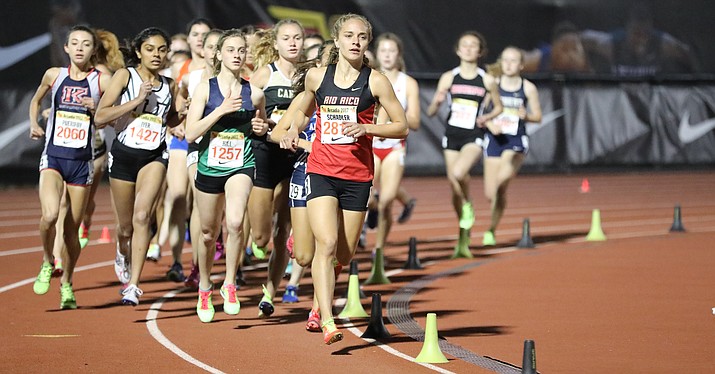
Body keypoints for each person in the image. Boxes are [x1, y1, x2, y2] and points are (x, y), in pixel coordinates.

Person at [288, 13, 408, 344]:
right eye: (350, 36)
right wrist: (294, 125)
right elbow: (302, 109)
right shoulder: (317, 77)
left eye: (362, 37)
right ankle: (326, 318)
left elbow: (401, 125)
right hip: (322, 169)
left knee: (343, 254)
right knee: (324, 244)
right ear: (337, 40)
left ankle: (320, 301)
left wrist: (367, 127)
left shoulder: (376, 81)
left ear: (367, 43)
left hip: (357, 176)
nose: (356, 41)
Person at [185, 29, 269, 323]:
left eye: (241, 50)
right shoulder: (205, 90)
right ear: (219, 54)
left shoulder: (254, 93)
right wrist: (219, 111)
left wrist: (261, 128)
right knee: (208, 233)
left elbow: (261, 124)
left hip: (240, 164)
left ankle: (230, 282)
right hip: (209, 165)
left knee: (234, 222)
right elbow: (191, 133)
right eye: (230, 50)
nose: (236, 55)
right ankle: (205, 286)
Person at [94, 27, 182, 306]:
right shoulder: (125, 76)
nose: (156, 55)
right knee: (125, 228)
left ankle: (133, 285)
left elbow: (170, 120)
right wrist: (135, 101)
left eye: (162, 49)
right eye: (150, 49)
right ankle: (123, 251)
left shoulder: (170, 85)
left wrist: (184, 113)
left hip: (154, 155)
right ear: (138, 52)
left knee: (143, 216)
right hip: (123, 154)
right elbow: (100, 116)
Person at [28, 25, 111, 309]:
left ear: (93, 50)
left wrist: (95, 110)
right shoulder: (55, 75)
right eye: (74, 43)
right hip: (53, 157)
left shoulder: (102, 81)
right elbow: (36, 99)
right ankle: (47, 261)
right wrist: (34, 122)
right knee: (50, 215)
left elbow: (113, 118)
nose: (79, 48)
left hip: (81, 163)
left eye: (85, 44)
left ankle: (67, 283)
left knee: (70, 232)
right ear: (66, 48)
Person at [271, 41, 333, 329]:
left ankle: (319, 310)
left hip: (342, 175)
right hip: (305, 170)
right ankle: (297, 240)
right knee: (306, 255)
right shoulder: (306, 97)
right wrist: (295, 139)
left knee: (332, 248)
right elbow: (277, 133)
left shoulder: (360, 95)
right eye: (330, 61)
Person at [148, 18, 214, 284]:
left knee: (200, 205)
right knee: (176, 199)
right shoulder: (180, 70)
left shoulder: (224, 71)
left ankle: (198, 265)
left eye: (205, 36)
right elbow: (170, 102)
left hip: (210, 143)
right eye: (195, 34)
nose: (200, 39)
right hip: (180, 140)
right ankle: (176, 261)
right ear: (188, 39)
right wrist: (173, 124)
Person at [426, 30, 502, 255]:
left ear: (480, 52)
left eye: (473, 45)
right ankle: (464, 232)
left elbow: (498, 107)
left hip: (473, 135)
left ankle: (468, 204)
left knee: (459, 174)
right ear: (458, 50)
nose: (469, 49)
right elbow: (430, 112)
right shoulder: (449, 77)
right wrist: (437, 102)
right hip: (452, 134)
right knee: (454, 189)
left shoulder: (486, 79)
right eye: (465, 45)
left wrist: (487, 117)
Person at [248, 19, 304, 318]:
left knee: (284, 230)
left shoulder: (309, 76)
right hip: (266, 154)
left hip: (294, 158)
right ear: (276, 43)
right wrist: (256, 124)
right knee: (260, 237)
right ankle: (257, 246)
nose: (293, 43)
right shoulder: (265, 74)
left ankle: (270, 291)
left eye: (297, 38)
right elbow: (245, 109)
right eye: (287, 38)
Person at [481, 47, 542, 246]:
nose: (508, 64)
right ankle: (492, 229)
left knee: (501, 179)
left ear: (521, 65)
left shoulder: (528, 87)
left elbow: (537, 116)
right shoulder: (493, 84)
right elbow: (481, 113)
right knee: (492, 194)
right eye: (505, 60)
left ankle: (490, 229)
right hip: (494, 139)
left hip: (515, 140)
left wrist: (527, 116)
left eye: (513, 60)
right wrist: (490, 124)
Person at [368, 32, 420, 257]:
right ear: (377, 54)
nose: (387, 55)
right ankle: (374, 209)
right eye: (383, 51)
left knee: (387, 200)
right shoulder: (370, 77)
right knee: (367, 197)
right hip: (370, 145)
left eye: (392, 51)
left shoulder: (408, 83)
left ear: (398, 54)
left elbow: (415, 121)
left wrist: (394, 119)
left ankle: (378, 250)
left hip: (394, 147)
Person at [181, 28, 223, 290]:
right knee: (198, 202)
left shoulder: (241, 80)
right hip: (198, 147)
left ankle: (232, 266)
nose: (215, 52)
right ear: (205, 51)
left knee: (228, 213)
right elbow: (178, 106)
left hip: (229, 150)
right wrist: (180, 118)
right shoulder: (192, 78)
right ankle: (198, 265)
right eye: (211, 47)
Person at [580, 2, 699, 76]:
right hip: (620, 101)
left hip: (652, 103)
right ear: (627, 30)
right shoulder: (612, 44)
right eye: (636, 33)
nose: (640, 39)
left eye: (645, 33)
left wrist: (695, 82)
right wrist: (589, 71)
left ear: (651, 30)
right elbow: (578, 39)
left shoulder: (663, 44)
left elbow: (689, 54)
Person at [522, 21, 592, 73]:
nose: (571, 56)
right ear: (553, 50)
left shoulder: (586, 65)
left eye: (574, 49)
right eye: (565, 49)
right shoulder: (538, 59)